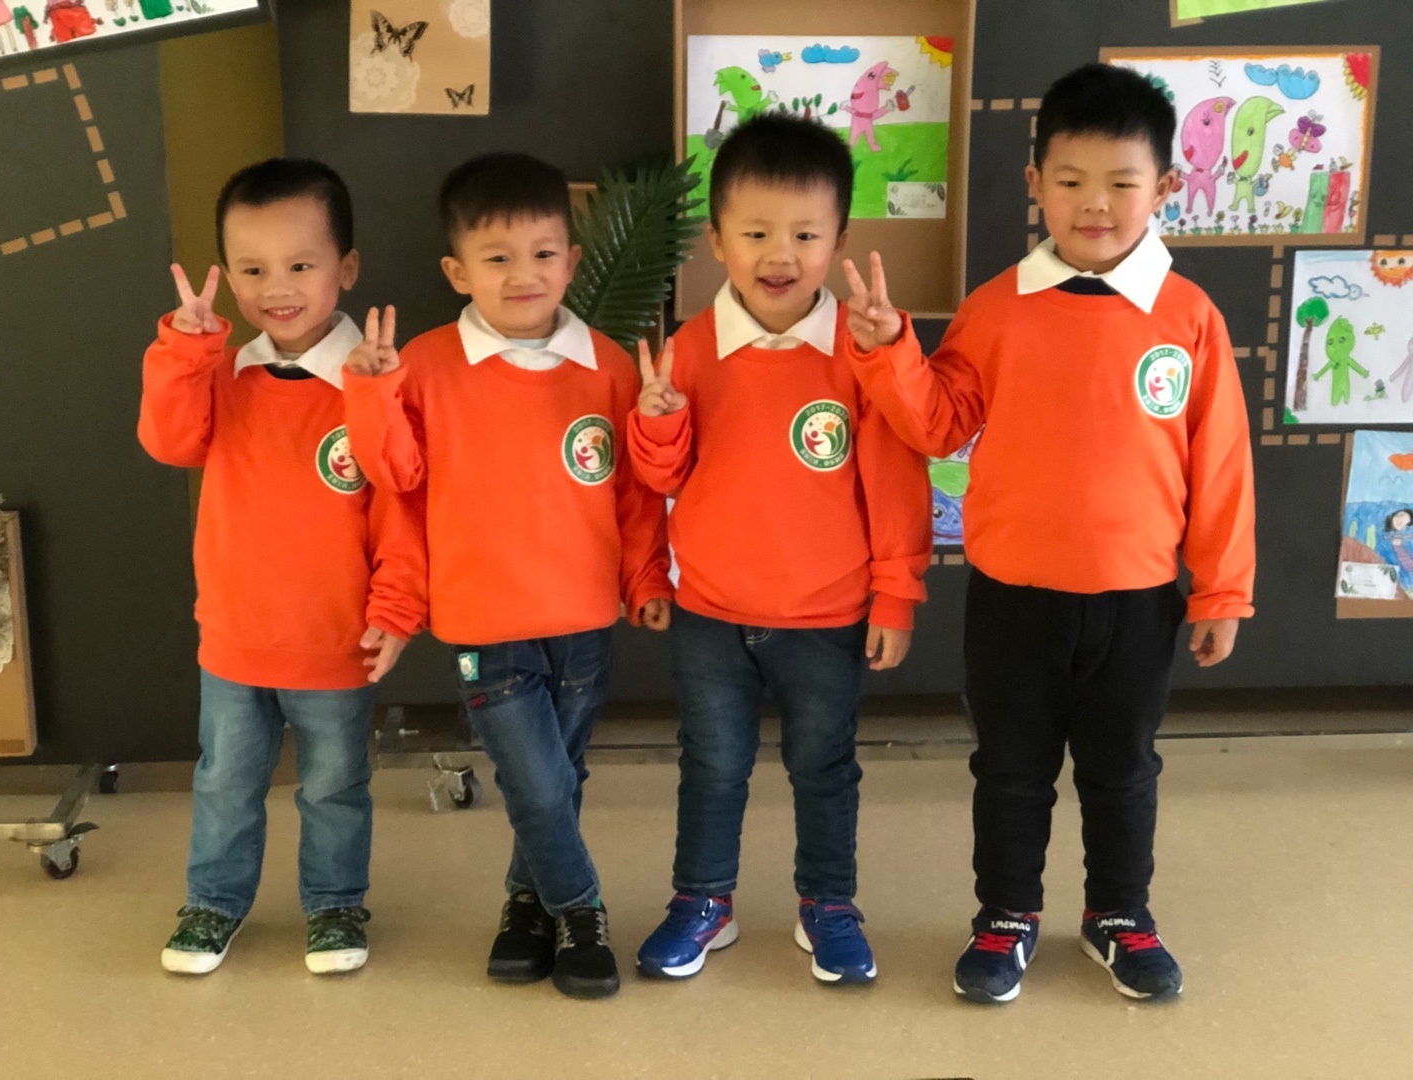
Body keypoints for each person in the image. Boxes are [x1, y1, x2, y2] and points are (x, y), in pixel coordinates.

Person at [846, 63, 1256, 1002]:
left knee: (1123, 771)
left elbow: (1222, 466)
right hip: (1013, 598)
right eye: (1070, 180)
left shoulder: (1188, 316)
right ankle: (1006, 916)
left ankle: (1120, 915)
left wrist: (1223, 589)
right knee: (1010, 771)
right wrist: (887, 350)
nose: (1094, 204)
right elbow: (938, 423)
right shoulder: (998, 307)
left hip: (1138, 599)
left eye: (1121, 182)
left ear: (1166, 186)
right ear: (1035, 182)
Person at [341, 152, 672, 1000]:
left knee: (558, 778)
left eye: (544, 253)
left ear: (571, 258)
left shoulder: (608, 365)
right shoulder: (422, 366)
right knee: (537, 781)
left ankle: (525, 909)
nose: (524, 275)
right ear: (457, 271)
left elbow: (635, 495)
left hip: (584, 620)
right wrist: (371, 397)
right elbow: (396, 483)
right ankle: (582, 911)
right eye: (497, 257)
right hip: (481, 624)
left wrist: (645, 578)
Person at [628, 113, 932, 986]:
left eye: (805, 234)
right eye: (756, 233)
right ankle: (703, 901)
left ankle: (828, 903)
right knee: (712, 766)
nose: (780, 255)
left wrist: (896, 594)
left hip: (828, 613)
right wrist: (656, 425)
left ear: (839, 240)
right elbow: (661, 476)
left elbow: (896, 482)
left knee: (823, 766)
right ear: (717, 240)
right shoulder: (689, 348)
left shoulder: (860, 351)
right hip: (710, 611)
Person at [138, 158, 425, 976]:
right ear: (228, 277)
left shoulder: (374, 381)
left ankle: (334, 905)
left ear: (347, 268)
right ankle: (213, 902)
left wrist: (397, 610)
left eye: (301, 264)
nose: (278, 288)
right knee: (224, 782)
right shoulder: (223, 373)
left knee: (334, 788)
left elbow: (402, 496)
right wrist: (186, 348)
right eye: (254, 270)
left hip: (335, 641)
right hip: (234, 636)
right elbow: (169, 441)